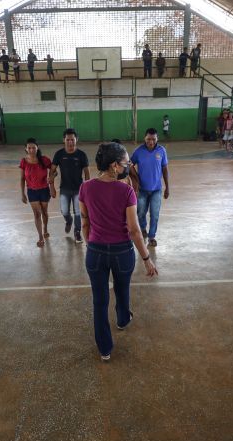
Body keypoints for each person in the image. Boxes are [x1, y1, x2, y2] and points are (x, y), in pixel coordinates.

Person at [79, 142, 158, 361]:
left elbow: (85, 223)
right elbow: (134, 230)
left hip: (95, 252)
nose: (128, 166)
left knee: (99, 300)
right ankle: (123, 319)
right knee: (122, 290)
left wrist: (91, 245)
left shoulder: (85, 187)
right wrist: (147, 259)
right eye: (126, 163)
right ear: (114, 165)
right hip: (122, 252)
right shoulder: (126, 191)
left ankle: (104, 349)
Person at [49, 128, 90, 244]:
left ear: (76, 140)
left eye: (72, 139)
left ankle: (77, 232)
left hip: (79, 189)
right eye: (68, 140)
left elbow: (86, 172)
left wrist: (87, 188)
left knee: (78, 212)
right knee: (64, 211)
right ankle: (68, 221)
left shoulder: (81, 155)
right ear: (64, 140)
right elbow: (52, 170)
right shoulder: (59, 154)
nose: (70, 142)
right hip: (64, 189)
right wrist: (51, 187)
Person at [130, 128, 169, 247]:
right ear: (144, 138)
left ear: (157, 139)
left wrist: (167, 187)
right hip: (142, 190)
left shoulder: (161, 151)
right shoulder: (139, 151)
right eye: (148, 139)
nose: (151, 142)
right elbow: (130, 165)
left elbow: (165, 169)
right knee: (140, 212)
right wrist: (136, 178)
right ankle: (143, 229)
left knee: (155, 214)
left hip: (156, 189)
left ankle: (152, 236)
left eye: (153, 139)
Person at [20, 138, 52, 248]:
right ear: (26, 149)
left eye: (33, 147)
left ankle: (45, 229)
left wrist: (51, 178)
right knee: (36, 214)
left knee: (44, 212)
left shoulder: (44, 160)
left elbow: (54, 170)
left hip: (44, 190)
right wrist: (22, 193)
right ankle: (40, 236)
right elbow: (22, 178)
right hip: (31, 191)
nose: (31, 150)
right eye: (29, 148)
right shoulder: (24, 161)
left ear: (37, 148)